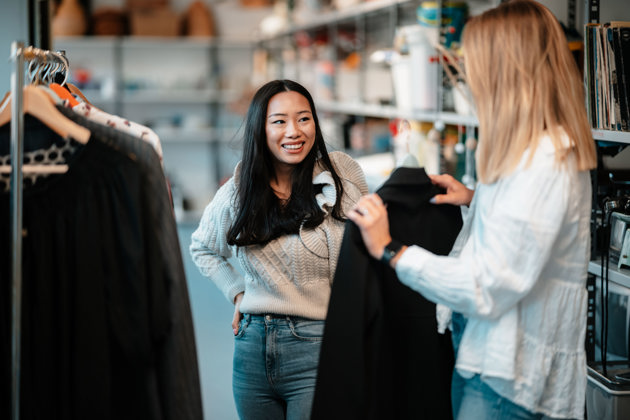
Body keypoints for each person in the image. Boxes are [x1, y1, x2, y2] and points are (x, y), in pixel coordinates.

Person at [347, 1, 597, 419]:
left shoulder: (546, 160)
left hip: (511, 386)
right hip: (489, 366)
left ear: (505, 70)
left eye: (472, 63)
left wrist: (391, 250)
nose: (466, 76)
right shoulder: (529, 153)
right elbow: (528, 229)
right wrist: (477, 199)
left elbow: (488, 284)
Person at [190, 79, 368, 419]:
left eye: (304, 118)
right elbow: (203, 248)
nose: (294, 131)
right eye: (279, 121)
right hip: (252, 347)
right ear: (261, 128)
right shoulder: (239, 191)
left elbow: (368, 247)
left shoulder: (340, 176)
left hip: (319, 344)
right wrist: (238, 293)